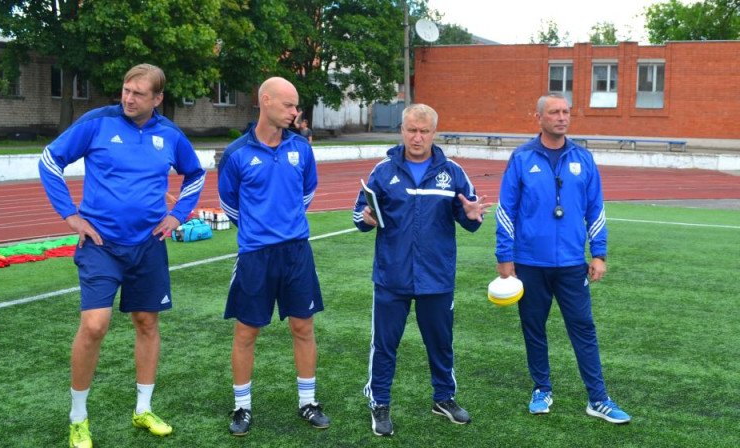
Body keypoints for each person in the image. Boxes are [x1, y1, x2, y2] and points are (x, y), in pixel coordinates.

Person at [38, 63, 206, 448]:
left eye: (139, 93)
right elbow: (50, 161)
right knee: (95, 325)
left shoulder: (169, 134)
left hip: (148, 246)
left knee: (146, 323)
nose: (129, 98)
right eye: (126, 90)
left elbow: (194, 174)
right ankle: (78, 418)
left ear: (157, 99)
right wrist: (71, 216)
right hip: (100, 245)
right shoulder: (98, 123)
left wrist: (177, 214)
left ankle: (143, 408)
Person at [352, 103, 493, 436]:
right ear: (402, 130)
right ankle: (380, 403)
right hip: (391, 276)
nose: (417, 137)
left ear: (434, 133)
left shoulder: (453, 172)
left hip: (436, 277)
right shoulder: (383, 171)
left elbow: (470, 218)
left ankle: (444, 398)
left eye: (424, 131)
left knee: (441, 343)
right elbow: (361, 213)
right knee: (384, 344)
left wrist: (473, 216)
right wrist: (365, 218)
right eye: (411, 130)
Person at [494, 93, 631, 424]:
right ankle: (542, 388)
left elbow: (595, 208)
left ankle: (597, 398)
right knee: (534, 328)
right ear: (538, 117)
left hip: (572, 263)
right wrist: (505, 255)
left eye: (566, 112)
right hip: (529, 263)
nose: (561, 117)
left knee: (583, 328)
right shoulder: (522, 157)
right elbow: (506, 208)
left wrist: (598, 253)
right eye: (554, 112)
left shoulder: (582, 158)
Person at [218, 76, 329, 436]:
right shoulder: (237, 154)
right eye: (289, 105)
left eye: (296, 106)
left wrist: (287, 221)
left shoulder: (301, 148)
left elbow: (307, 190)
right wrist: (260, 227)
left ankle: (308, 402)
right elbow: (229, 205)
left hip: (297, 251)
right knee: (247, 331)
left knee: (303, 326)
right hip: (256, 255)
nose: (296, 112)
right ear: (265, 101)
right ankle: (242, 407)